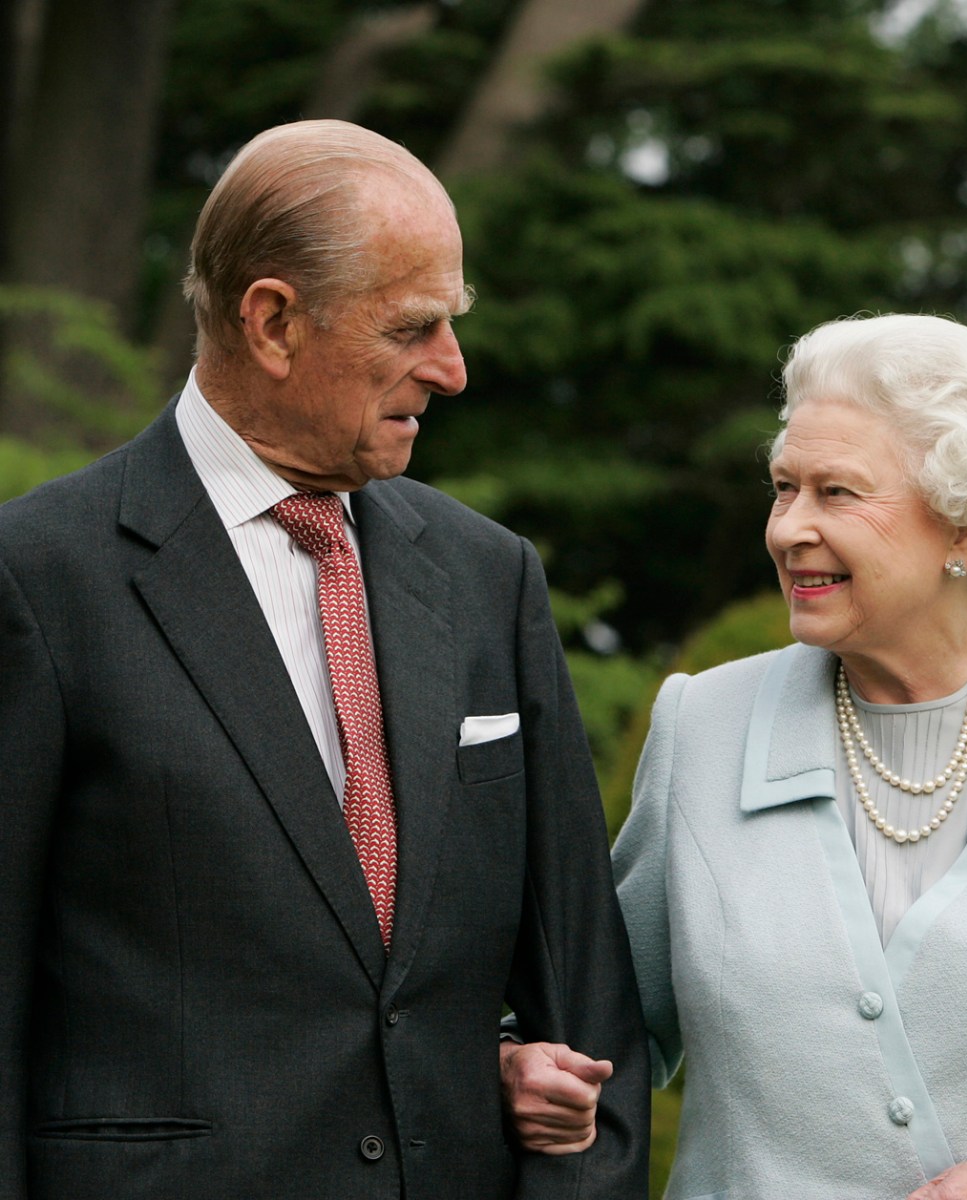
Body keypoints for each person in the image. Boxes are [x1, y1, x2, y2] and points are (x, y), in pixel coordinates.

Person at [0, 119, 648, 1200]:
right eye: (414, 327)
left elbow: (588, 1004)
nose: (453, 369)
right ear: (272, 323)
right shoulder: (35, 578)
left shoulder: (492, 579)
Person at [503, 313, 967, 1199]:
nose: (789, 528)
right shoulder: (703, 728)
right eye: (782, 487)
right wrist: (522, 1065)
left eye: (837, 493)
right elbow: (595, 1030)